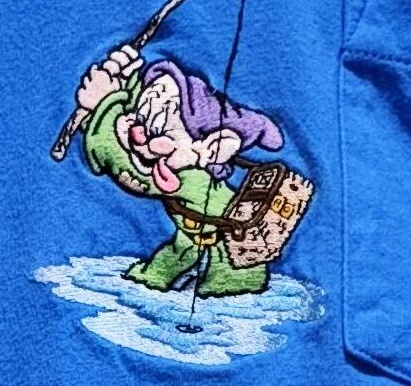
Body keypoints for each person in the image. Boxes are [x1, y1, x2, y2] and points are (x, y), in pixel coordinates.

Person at [69, 45, 289, 297]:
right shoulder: (179, 160)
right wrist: (123, 82)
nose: (139, 135)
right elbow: (123, 134)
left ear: (207, 148)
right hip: (193, 226)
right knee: (184, 247)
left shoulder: (188, 174)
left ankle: (233, 287)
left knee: (229, 272)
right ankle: (155, 277)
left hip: (226, 235)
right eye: (141, 118)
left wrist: (104, 104)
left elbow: (117, 160)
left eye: (159, 130)